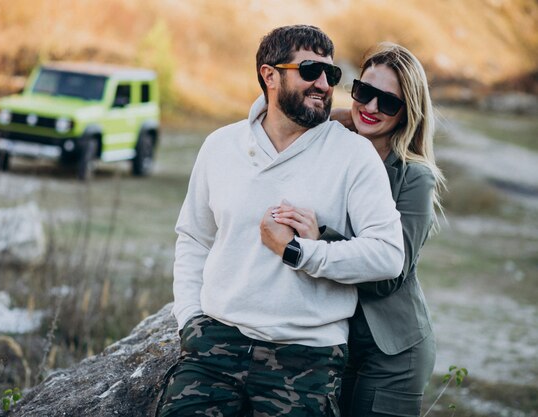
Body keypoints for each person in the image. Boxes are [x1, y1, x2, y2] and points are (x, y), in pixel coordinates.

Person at [156, 25, 405, 417]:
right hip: (215, 343)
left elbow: (389, 255)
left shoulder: (354, 156)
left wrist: (299, 252)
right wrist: (190, 317)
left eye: (331, 74)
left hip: (306, 354)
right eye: (310, 70)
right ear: (270, 75)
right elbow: (193, 237)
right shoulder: (220, 146)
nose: (324, 83)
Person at [269, 42, 445, 417]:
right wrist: (331, 119)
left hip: (392, 350)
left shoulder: (415, 177)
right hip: (337, 340)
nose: (372, 108)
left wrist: (320, 239)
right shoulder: (336, 148)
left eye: (389, 102)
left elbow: (389, 276)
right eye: (365, 93)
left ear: (408, 111)